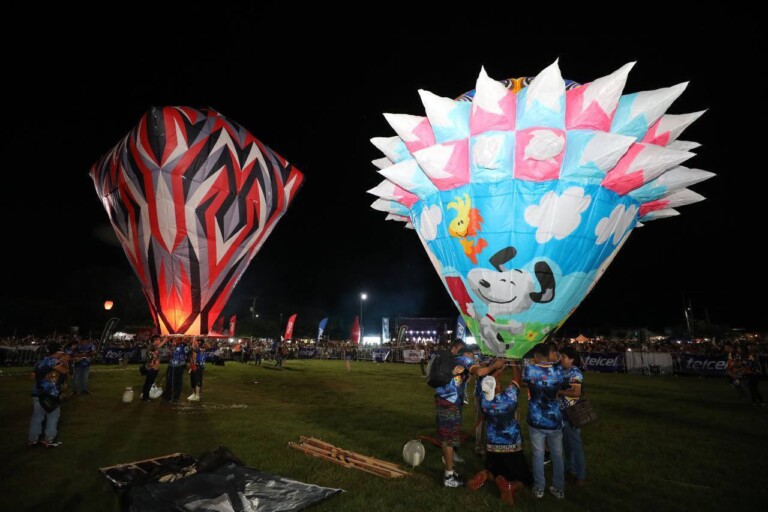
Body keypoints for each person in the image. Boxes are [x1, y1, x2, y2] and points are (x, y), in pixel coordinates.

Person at [435, 339, 503, 488]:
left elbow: (474, 371)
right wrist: (496, 365)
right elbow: (479, 372)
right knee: (448, 439)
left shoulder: (454, 359)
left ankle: (450, 469)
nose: (474, 358)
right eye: (472, 355)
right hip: (450, 402)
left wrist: (489, 367)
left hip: (443, 400)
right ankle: (448, 476)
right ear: (466, 353)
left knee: (449, 437)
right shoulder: (464, 359)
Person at [467, 361, 532, 505]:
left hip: (492, 445)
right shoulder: (508, 398)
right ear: (499, 387)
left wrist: (497, 370)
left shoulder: (484, 401)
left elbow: (488, 383)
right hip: (512, 444)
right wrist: (514, 363)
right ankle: (510, 486)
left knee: (494, 469)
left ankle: (486, 475)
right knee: (524, 477)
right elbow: (517, 380)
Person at [523, 342, 566, 500]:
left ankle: (539, 488)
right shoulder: (558, 370)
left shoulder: (530, 369)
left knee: (538, 455)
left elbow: (525, 381)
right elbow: (563, 384)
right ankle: (558, 488)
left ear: (535, 355)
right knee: (557, 455)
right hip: (554, 420)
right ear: (550, 353)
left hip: (536, 420)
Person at [28, 342, 69, 448]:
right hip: (50, 394)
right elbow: (65, 371)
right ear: (57, 351)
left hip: (37, 392)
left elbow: (32, 376)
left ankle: (33, 440)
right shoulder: (54, 362)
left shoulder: (40, 361)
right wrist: (65, 362)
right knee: (53, 417)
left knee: (37, 417)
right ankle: (49, 440)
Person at [558, 346, 587, 486]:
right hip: (562, 413)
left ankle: (580, 475)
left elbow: (576, 393)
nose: (561, 359)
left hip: (572, 414)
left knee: (575, 445)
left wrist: (559, 392)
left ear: (572, 359)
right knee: (566, 445)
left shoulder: (575, 373)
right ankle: (570, 470)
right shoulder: (563, 371)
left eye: (563, 357)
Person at [162, 337, 189, 402]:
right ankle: (168, 395)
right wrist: (169, 353)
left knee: (177, 382)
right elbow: (169, 354)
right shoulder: (173, 345)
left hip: (178, 366)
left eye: (175, 339)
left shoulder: (184, 346)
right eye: (174, 339)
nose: (173, 340)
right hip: (171, 366)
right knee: (169, 380)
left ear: (179, 339)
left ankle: (175, 397)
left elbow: (186, 353)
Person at [141, 335, 165, 402]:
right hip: (151, 368)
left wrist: (166, 339)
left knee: (150, 382)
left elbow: (158, 348)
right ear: (156, 340)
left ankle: (146, 395)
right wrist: (166, 339)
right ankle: (145, 398)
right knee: (148, 383)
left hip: (154, 368)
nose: (160, 341)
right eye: (159, 340)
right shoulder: (151, 346)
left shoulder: (154, 346)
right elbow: (158, 347)